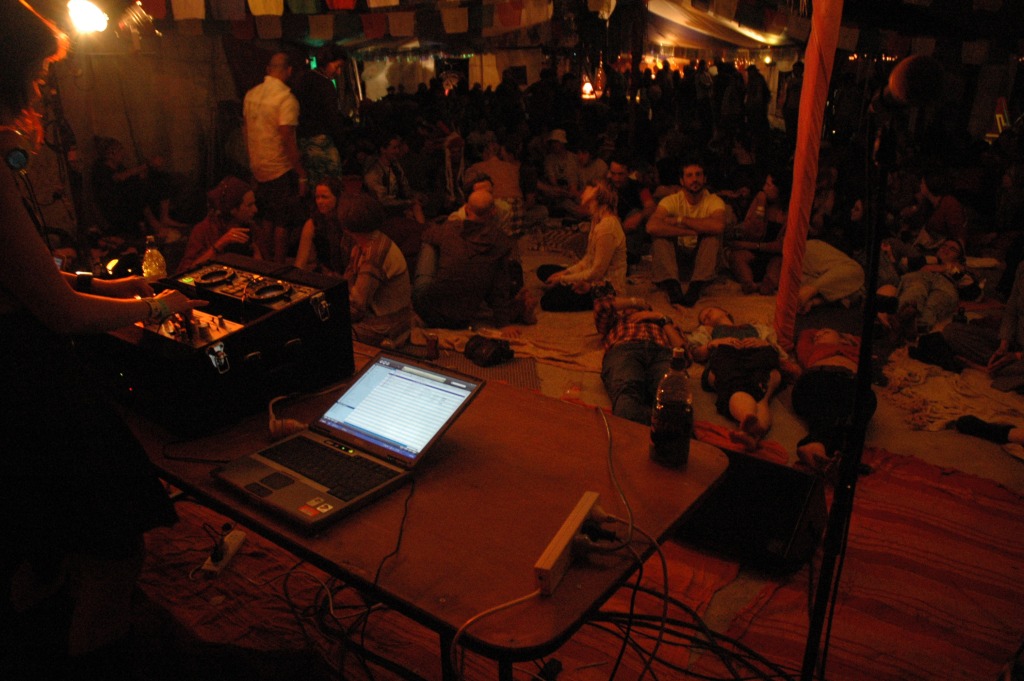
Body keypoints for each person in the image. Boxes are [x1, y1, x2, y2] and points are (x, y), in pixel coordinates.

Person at [0, 5, 204, 677]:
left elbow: (36, 276)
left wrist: (121, 286)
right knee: (115, 550)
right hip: (28, 379)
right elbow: (59, 311)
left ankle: (36, 639)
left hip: (17, 369)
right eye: (36, 72)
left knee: (41, 549)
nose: (40, 87)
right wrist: (156, 303)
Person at [413, 189, 519, 330]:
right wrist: (503, 323)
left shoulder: (450, 229)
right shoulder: (501, 241)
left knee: (428, 242)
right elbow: (500, 285)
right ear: (493, 212)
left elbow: (426, 234)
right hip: (462, 319)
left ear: (467, 209)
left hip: (426, 310)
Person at [686, 306, 786, 450]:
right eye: (703, 319)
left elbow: (780, 354)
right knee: (741, 386)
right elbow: (695, 353)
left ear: (725, 312)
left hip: (757, 355)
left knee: (761, 386)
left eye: (709, 312)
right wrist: (712, 344)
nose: (706, 317)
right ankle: (750, 424)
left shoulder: (758, 328)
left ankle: (749, 431)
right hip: (728, 356)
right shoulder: (706, 331)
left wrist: (765, 344)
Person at [243, 51, 308, 263]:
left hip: (259, 167)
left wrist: (252, 162)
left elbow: (246, 131)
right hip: (280, 167)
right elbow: (287, 137)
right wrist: (301, 173)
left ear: (268, 70)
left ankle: (266, 262)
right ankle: (278, 266)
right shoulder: (286, 99)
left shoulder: (250, 95)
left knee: (266, 217)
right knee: (282, 221)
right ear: (289, 71)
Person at [593, 288, 686, 424]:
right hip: (625, 349)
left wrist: (662, 319)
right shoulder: (616, 320)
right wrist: (636, 302)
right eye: (629, 309)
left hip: (662, 353)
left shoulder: (664, 324)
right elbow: (601, 306)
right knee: (626, 401)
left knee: (674, 397)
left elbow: (683, 352)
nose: (636, 310)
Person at [790, 328, 878, 472]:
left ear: (843, 339)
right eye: (817, 335)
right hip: (818, 377)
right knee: (829, 403)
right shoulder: (811, 349)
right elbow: (806, 333)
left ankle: (820, 451)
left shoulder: (854, 351)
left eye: (825, 332)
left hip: (851, 382)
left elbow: (868, 341)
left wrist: (847, 338)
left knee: (866, 402)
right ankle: (827, 449)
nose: (818, 335)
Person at [646, 157, 727, 307]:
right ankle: (672, 287)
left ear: (704, 179)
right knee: (660, 237)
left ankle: (696, 287)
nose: (694, 179)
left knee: (712, 237)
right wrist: (689, 232)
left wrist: (681, 220)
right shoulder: (671, 201)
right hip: (676, 260)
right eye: (689, 175)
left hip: (702, 260)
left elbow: (718, 226)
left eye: (698, 175)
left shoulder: (714, 201)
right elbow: (652, 226)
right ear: (682, 181)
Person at [538, 179, 626, 312]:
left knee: (548, 301)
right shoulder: (596, 220)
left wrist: (563, 280)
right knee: (544, 270)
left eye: (588, 189)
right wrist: (565, 273)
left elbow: (597, 272)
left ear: (597, 196)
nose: (583, 193)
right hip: (591, 278)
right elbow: (588, 260)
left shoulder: (607, 227)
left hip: (605, 288)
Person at [339, 192, 412, 348]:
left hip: (387, 325)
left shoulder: (374, 255)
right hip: (380, 317)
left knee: (330, 335)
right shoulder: (365, 244)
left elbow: (357, 306)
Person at [942, 262, 1024, 392]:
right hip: (1014, 341)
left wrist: (1017, 356)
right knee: (952, 331)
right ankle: (999, 365)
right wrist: (1003, 345)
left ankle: (986, 367)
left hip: (1020, 357)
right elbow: (1011, 310)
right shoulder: (1022, 267)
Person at [877, 238, 975, 344]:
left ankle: (907, 328)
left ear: (959, 257)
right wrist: (890, 255)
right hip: (921, 276)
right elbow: (902, 264)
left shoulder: (960, 270)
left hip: (947, 284)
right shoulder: (928, 260)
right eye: (944, 246)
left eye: (952, 249)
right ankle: (904, 320)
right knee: (915, 292)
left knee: (933, 306)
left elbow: (974, 292)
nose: (946, 249)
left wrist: (946, 267)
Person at [90, 136, 184, 243]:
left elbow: (133, 176)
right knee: (134, 187)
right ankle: (155, 225)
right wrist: (147, 165)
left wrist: (151, 171)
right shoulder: (100, 168)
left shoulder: (119, 166)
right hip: (117, 209)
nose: (123, 153)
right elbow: (120, 178)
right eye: (119, 150)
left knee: (160, 177)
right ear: (110, 154)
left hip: (128, 201)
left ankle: (164, 217)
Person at [176, 175, 261, 273]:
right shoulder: (204, 230)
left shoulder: (251, 228)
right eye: (249, 205)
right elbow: (186, 272)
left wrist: (256, 251)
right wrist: (220, 244)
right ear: (233, 210)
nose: (255, 209)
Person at [726, 172, 790, 295]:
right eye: (765, 184)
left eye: (769, 185)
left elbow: (782, 246)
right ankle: (749, 283)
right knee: (736, 257)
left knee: (778, 263)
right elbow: (755, 233)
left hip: (775, 254)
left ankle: (768, 283)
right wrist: (760, 205)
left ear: (780, 189)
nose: (764, 188)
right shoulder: (761, 200)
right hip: (755, 252)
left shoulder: (790, 212)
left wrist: (750, 246)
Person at [293, 44, 347, 186]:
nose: (339, 72)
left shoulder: (302, 79)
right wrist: (343, 147)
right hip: (321, 145)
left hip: (302, 144)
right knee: (331, 186)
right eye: (337, 66)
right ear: (326, 61)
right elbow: (333, 119)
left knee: (314, 187)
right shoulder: (326, 85)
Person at [607, 154, 657, 265]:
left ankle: (628, 256)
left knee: (636, 213)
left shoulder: (639, 187)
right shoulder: (606, 186)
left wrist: (639, 216)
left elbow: (651, 206)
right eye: (613, 174)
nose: (616, 179)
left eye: (620, 174)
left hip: (630, 231)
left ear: (629, 172)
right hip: (611, 226)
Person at [293, 175, 348, 275]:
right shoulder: (312, 223)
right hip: (326, 275)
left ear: (337, 197)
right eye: (317, 197)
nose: (319, 201)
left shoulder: (346, 221)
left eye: (324, 197)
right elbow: (301, 261)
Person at [798, 239, 866, 314]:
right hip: (832, 310)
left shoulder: (805, 250)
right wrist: (814, 302)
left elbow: (853, 271)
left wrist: (811, 289)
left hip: (860, 307)